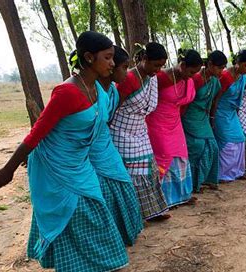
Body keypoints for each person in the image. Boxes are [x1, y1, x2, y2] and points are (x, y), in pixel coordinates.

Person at [0, 31, 131, 272]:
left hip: (79, 161)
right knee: (73, 210)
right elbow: (37, 133)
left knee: (94, 205)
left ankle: (97, 263)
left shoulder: (96, 88)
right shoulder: (66, 92)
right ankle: (77, 269)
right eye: (108, 57)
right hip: (56, 164)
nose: (112, 63)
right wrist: (8, 169)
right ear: (89, 58)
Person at [87, 45, 143, 246]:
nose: (126, 73)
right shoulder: (89, 92)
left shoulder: (112, 91)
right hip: (90, 149)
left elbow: (108, 121)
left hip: (106, 146)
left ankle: (121, 233)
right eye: (124, 67)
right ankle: (107, 239)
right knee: (102, 191)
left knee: (122, 184)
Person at [112, 42, 170, 221]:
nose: (158, 70)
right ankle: (135, 215)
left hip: (140, 130)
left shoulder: (152, 79)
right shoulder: (129, 79)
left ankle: (152, 211)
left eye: (161, 66)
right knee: (134, 173)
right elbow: (114, 107)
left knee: (149, 168)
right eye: (155, 65)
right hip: (122, 131)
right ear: (144, 59)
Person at [146, 49, 202, 207]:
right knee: (164, 156)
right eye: (191, 72)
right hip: (158, 122)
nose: (192, 76)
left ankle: (182, 195)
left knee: (181, 155)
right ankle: (163, 199)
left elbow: (184, 105)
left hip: (175, 122)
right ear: (182, 65)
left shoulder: (188, 80)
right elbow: (147, 100)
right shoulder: (161, 78)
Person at [182, 50, 227, 193]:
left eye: (223, 68)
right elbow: (186, 101)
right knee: (198, 147)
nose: (222, 71)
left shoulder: (214, 81)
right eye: (219, 67)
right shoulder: (196, 79)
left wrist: (212, 118)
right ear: (210, 64)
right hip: (190, 116)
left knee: (213, 146)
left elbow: (215, 100)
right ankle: (194, 183)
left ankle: (207, 180)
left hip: (203, 118)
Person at [213, 49, 246, 181]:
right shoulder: (225, 76)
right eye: (245, 65)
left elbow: (239, 97)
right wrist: (212, 117)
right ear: (237, 63)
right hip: (221, 111)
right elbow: (216, 98)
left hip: (232, 112)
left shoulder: (244, 78)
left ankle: (237, 171)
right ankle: (223, 174)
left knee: (240, 138)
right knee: (227, 141)